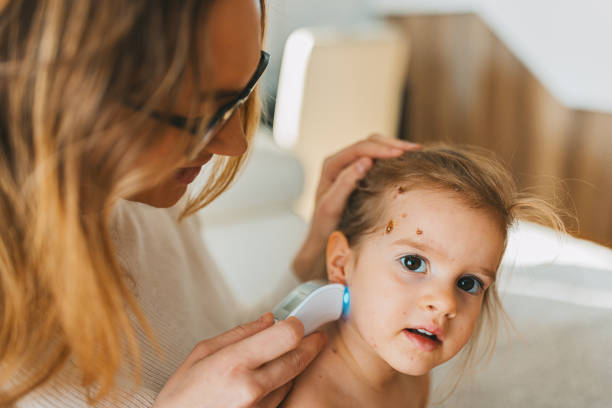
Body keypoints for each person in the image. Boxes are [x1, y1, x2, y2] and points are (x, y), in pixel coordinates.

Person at [0, 0, 420, 407]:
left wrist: (318, 248)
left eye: (241, 95)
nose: (235, 144)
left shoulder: (149, 202)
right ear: (71, 89)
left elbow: (216, 343)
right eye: (202, 114)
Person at [279, 144, 565, 407]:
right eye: (413, 263)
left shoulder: (414, 376)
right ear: (342, 264)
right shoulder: (313, 399)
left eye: (468, 283)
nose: (445, 303)